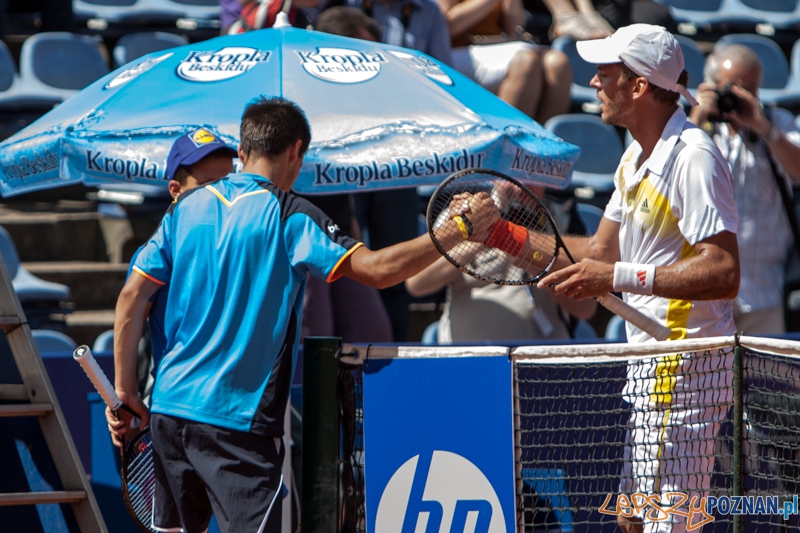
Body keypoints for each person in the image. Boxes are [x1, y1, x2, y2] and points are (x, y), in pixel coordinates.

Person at [107, 96, 497, 533]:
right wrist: (456, 230)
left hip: (168, 414)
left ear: (241, 151)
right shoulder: (291, 214)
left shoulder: (183, 210)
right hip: (237, 425)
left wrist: (127, 392)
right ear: (296, 152)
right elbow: (379, 271)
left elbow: (131, 299)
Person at [531, 24, 739, 533]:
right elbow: (597, 254)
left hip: (685, 370)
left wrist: (620, 276)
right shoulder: (635, 156)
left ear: (640, 86)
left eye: (606, 73)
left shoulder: (693, 156)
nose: (595, 84)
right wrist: (509, 236)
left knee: (666, 528)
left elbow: (724, 270)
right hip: (650, 368)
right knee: (633, 522)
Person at [688, 45, 800, 335]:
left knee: (767, 379)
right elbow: (670, 170)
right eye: (732, 87)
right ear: (711, 86)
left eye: (749, 88)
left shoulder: (777, 124)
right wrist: (698, 116)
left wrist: (763, 127)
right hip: (706, 291)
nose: (739, 97)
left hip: (766, 290)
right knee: (711, 378)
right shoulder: (693, 131)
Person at [119, 129, 237, 404]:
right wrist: (125, 394)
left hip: (239, 403)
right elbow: (131, 304)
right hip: (179, 403)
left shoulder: (249, 242)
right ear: (176, 191)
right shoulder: (156, 252)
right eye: (208, 184)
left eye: (228, 183)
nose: (222, 194)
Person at [407, 186, 597, 342]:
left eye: (531, 176)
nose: (519, 187)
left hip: (543, 364)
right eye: (512, 175)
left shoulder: (562, 220)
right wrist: (483, 236)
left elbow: (586, 308)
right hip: (470, 360)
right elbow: (416, 283)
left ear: (545, 179)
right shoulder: (461, 213)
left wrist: (528, 253)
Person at [436, 0, 573, 124]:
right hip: (456, 51)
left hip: (497, 47)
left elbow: (513, 27)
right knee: (526, 60)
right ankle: (510, 141)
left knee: (557, 63)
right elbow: (448, 25)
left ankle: (548, 145)